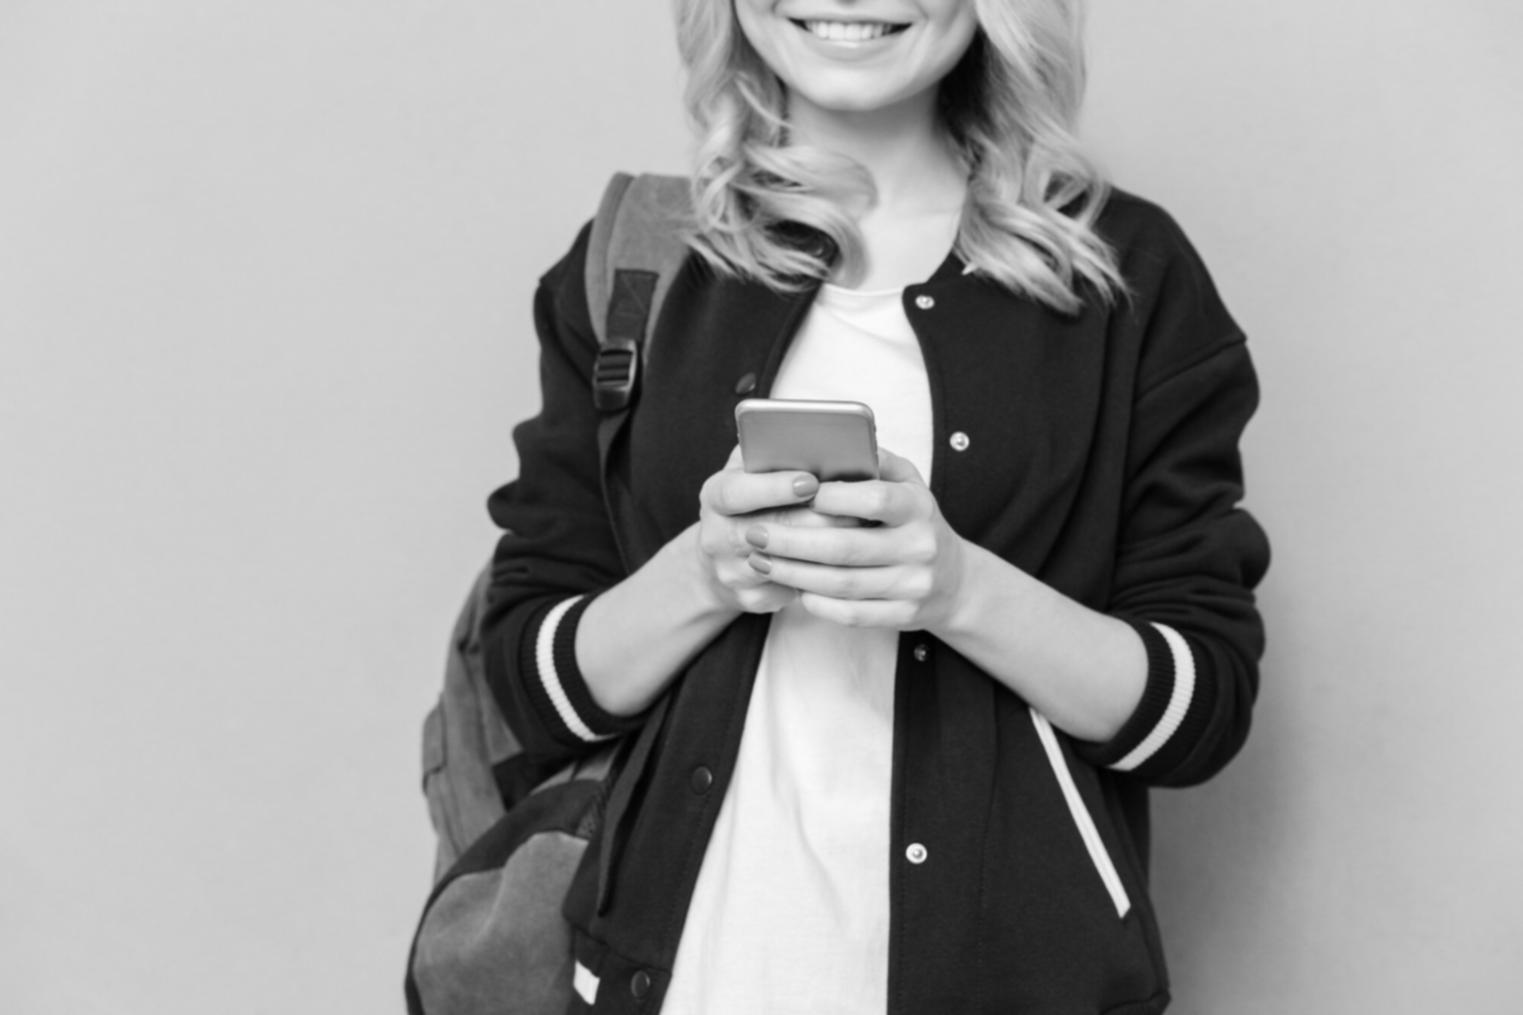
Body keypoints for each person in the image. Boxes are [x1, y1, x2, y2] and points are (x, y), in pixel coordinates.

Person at [482, 1, 1269, 1011]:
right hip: (683, 978)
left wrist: (955, 588)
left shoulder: (1126, 275)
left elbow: (1198, 713)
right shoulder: (640, 262)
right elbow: (530, 688)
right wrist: (708, 571)